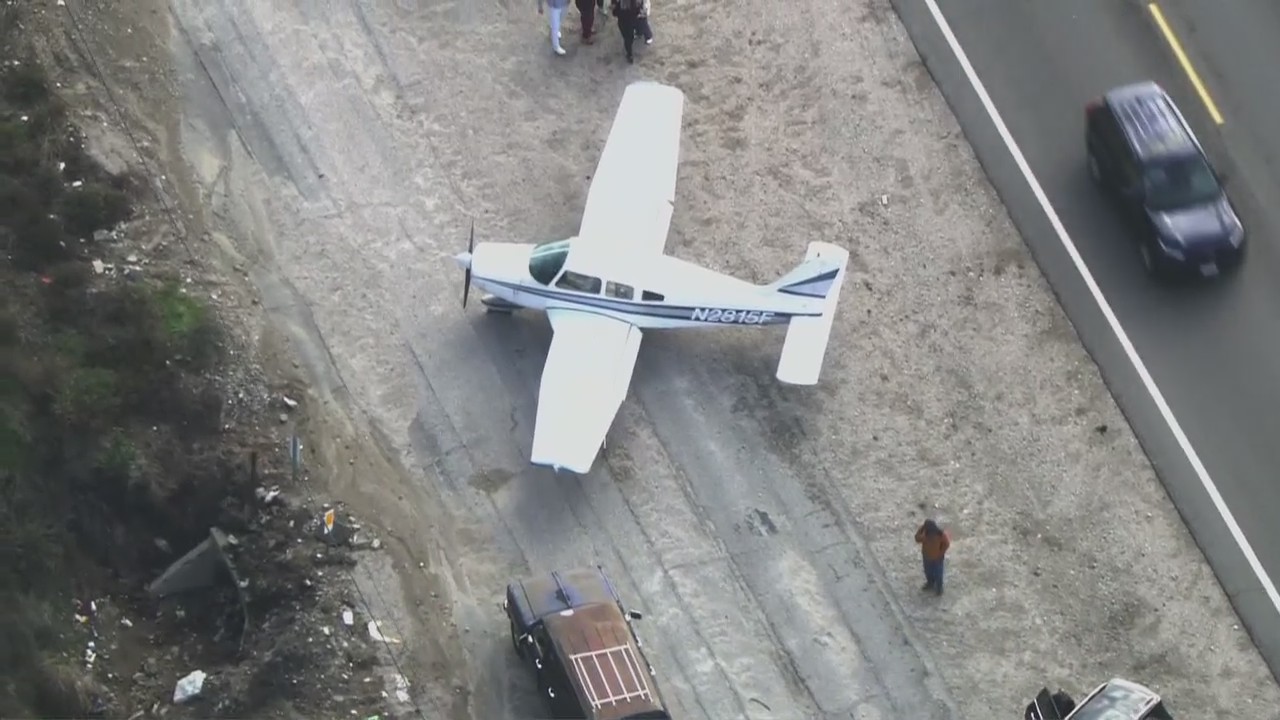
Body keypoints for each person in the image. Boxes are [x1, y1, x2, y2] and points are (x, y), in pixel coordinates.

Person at [914, 518, 950, 596]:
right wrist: (921, 529)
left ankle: (939, 588)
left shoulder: (940, 535)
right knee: (928, 572)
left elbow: (946, 544)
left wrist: (940, 553)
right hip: (927, 557)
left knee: (938, 574)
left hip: (937, 559)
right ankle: (930, 583)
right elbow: (917, 538)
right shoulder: (925, 535)